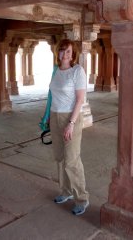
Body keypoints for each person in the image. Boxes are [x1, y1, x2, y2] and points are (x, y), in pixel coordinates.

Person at [49, 39, 89, 216]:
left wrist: (71, 124)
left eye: (68, 51)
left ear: (73, 54)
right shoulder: (56, 71)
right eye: (62, 50)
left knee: (72, 160)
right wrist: (46, 117)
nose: (65, 54)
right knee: (59, 157)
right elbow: (52, 96)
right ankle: (65, 191)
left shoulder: (77, 71)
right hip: (54, 116)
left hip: (70, 117)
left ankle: (81, 198)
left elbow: (80, 99)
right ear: (58, 52)